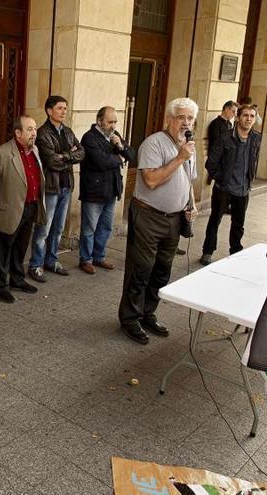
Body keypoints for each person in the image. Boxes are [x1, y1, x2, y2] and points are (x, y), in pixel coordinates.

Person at [118, 97, 199, 345]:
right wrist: (179, 158)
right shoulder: (154, 143)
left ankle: (147, 313)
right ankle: (130, 319)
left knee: (162, 271)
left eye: (190, 118)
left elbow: (188, 178)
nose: (186, 123)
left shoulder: (189, 145)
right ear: (169, 119)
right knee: (141, 269)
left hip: (174, 219)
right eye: (181, 117)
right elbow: (151, 180)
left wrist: (191, 203)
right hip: (148, 215)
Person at [28, 95, 84, 282]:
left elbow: (82, 152)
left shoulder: (67, 131)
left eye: (65, 108)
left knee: (58, 228)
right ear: (49, 110)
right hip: (51, 187)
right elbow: (51, 161)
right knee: (44, 228)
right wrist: (70, 155)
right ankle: (36, 264)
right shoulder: (43, 133)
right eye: (60, 108)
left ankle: (51, 260)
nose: (64, 112)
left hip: (66, 185)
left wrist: (64, 156)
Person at [0, 115, 47, 303]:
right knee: (3, 249)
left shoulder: (35, 150)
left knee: (21, 247)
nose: (34, 133)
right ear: (18, 133)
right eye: (29, 129)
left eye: (35, 129)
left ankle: (17, 279)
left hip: (30, 206)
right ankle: (0, 285)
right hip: (10, 209)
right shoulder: (3, 153)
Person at [199, 105, 261, 265]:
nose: (248, 119)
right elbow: (211, 163)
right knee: (215, 220)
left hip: (243, 189)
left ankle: (235, 252)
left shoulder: (256, 138)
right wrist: (221, 179)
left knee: (238, 224)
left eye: (252, 116)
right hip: (224, 188)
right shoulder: (225, 137)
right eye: (245, 115)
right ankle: (207, 251)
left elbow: (254, 159)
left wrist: (250, 178)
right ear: (238, 117)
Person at [78, 106, 136, 274]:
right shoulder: (89, 138)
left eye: (115, 121)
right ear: (99, 121)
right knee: (89, 228)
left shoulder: (114, 136)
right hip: (94, 190)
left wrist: (120, 147)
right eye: (110, 121)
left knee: (106, 227)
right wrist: (119, 157)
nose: (113, 125)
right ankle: (86, 260)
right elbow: (101, 162)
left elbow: (131, 155)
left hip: (112, 189)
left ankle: (99, 257)